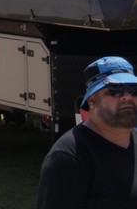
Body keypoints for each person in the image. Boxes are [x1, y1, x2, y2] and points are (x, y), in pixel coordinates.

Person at [37, 56, 137, 207]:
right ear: (92, 101)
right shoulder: (68, 157)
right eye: (115, 90)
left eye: (133, 90)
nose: (126, 97)